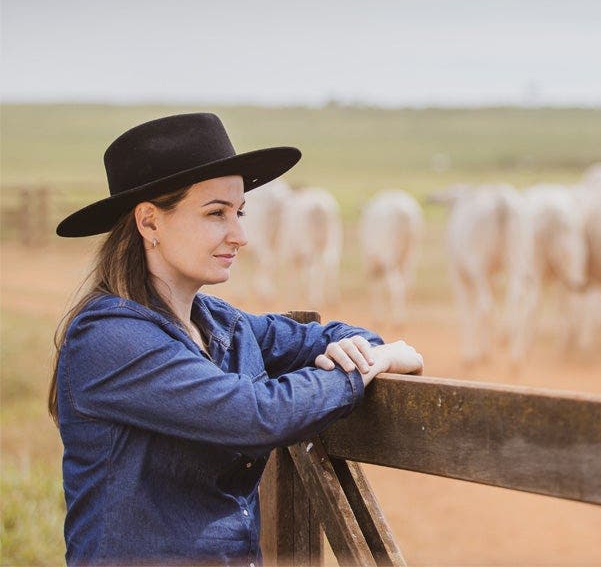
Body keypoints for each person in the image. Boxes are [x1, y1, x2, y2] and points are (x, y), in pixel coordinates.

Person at [48, 112, 423, 566]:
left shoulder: (221, 323)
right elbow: (256, 414)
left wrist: (363, 349)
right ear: (149, 223)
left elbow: (332, 335)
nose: (240, 235)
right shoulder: (107, 338)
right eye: (216, 213)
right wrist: (367, 366)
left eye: (239, 212)